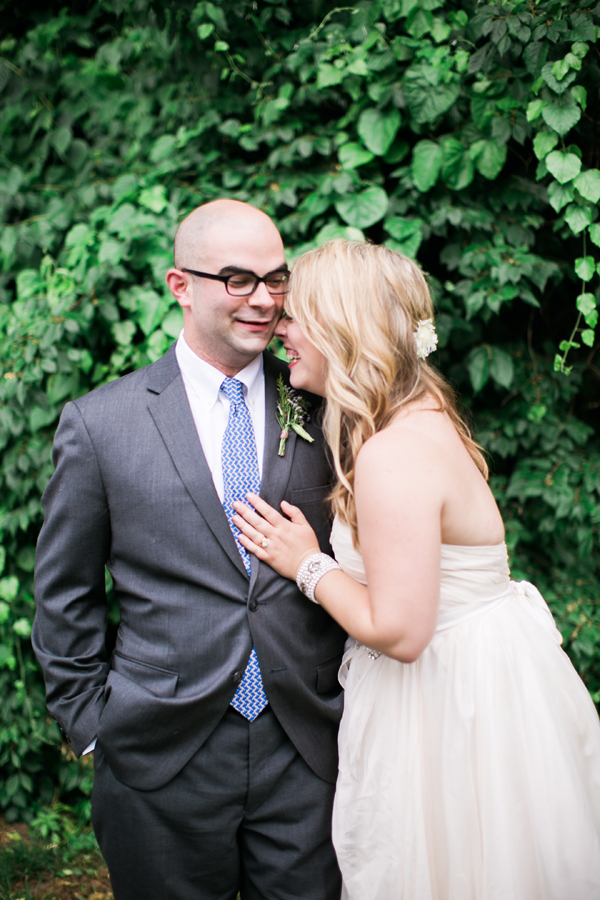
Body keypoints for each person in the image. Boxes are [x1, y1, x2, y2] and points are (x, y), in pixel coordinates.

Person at [233, 238, 600, 900]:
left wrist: (306, 565)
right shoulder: (422, 416)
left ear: (342, 328)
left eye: (296, 317)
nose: (279, 329)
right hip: (486, 683)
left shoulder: (394, 452)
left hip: (448, 703)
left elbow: (400, 632)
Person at [32, 200, 346, 900]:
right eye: (238, 279)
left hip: (303, 744)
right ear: (181, 285)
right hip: (158, 755)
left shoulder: (324, 408)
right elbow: (64, 595)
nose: (264, 300)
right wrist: (94, 730)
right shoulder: (100, 423)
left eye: (276, 278)